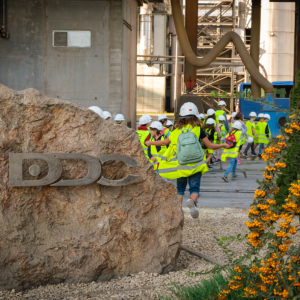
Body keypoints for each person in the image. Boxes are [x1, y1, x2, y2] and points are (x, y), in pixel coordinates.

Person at [145, 102, 230, 219]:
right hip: (196, 165)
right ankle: (192, 202)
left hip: (181, 166)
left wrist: (150, 142)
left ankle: (178, 213)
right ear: (195, 116)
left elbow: (164, 142)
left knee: (180, 190)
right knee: (195, 189)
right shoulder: (198, 130)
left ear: (181, 118)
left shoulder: (175, 132)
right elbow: (210, 146)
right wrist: (223, 145)